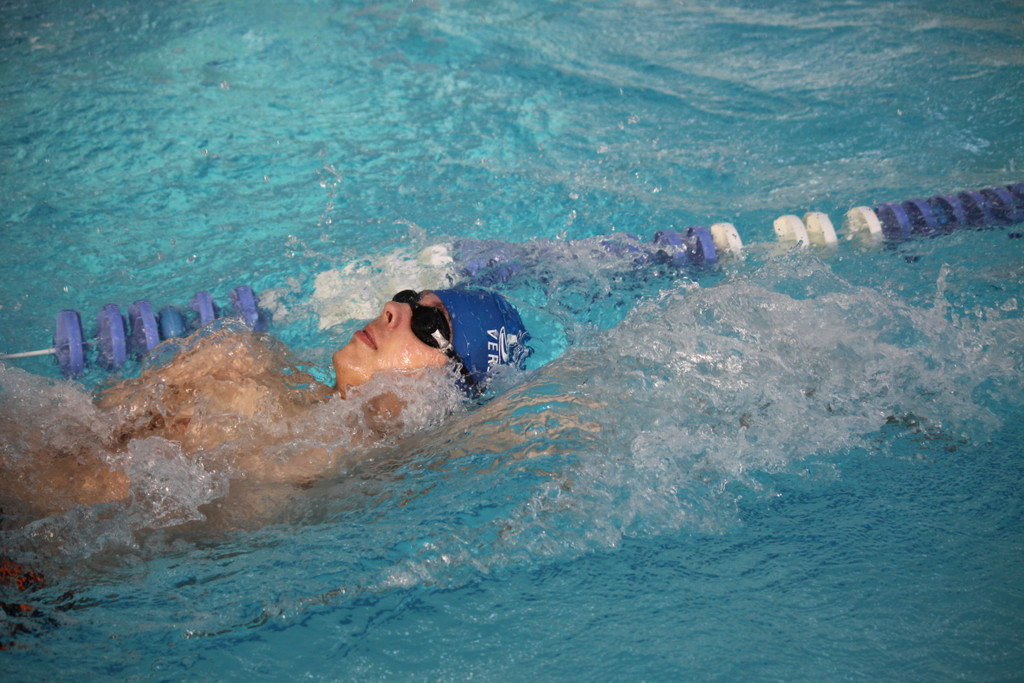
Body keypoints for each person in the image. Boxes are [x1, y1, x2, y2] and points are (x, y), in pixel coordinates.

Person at [0, 287, 531, 525]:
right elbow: (68, 434)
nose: (394, 308)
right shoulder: (236, 360)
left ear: (450, 387)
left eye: (430, 323)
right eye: (411, 297)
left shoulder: (360, 476)